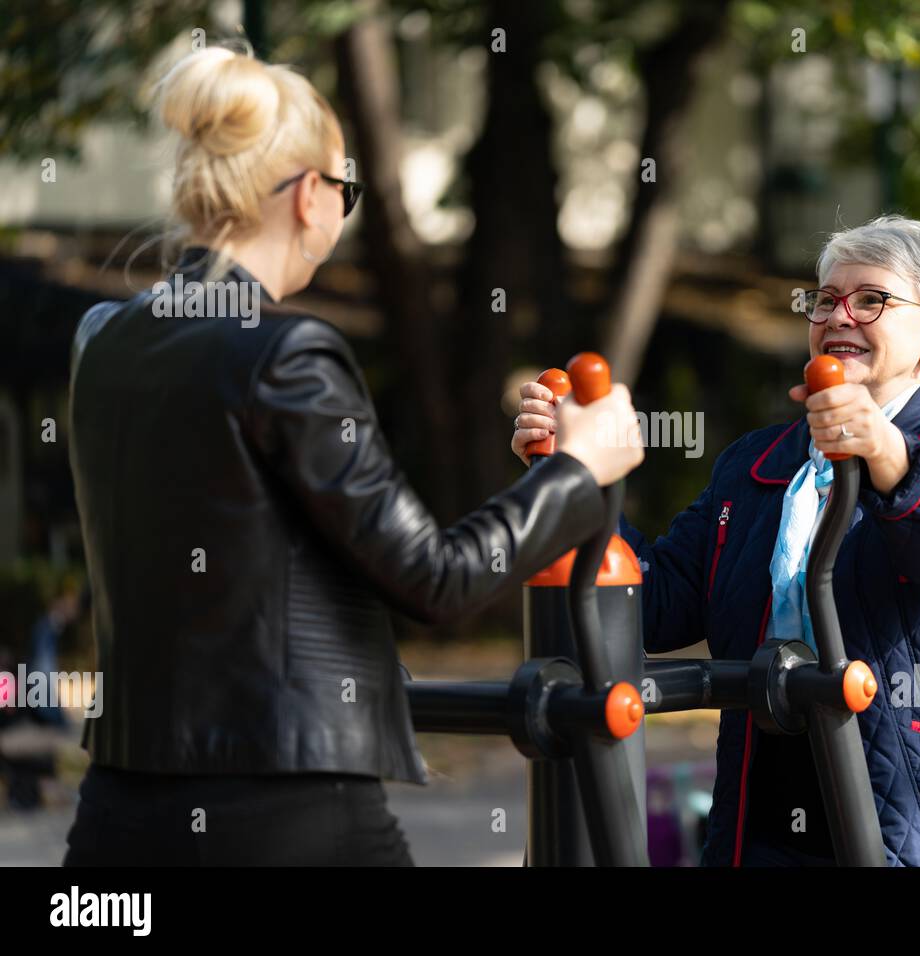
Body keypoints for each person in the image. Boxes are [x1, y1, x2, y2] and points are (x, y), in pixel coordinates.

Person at [63, 45, 643, 866]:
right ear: (308, 197)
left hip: (117, 808)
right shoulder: (289, 351)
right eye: (347, 191)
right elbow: (436, 578)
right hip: (287, 809)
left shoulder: (103, 339)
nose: (344, 215)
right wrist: (578, 470)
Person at [513, 214, 920, 866]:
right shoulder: (757, 464)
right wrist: (573, 479)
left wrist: (885, 451)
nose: (840, 317)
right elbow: (656, 604)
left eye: (872, 301)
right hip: (771, 812)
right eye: (826, 299)